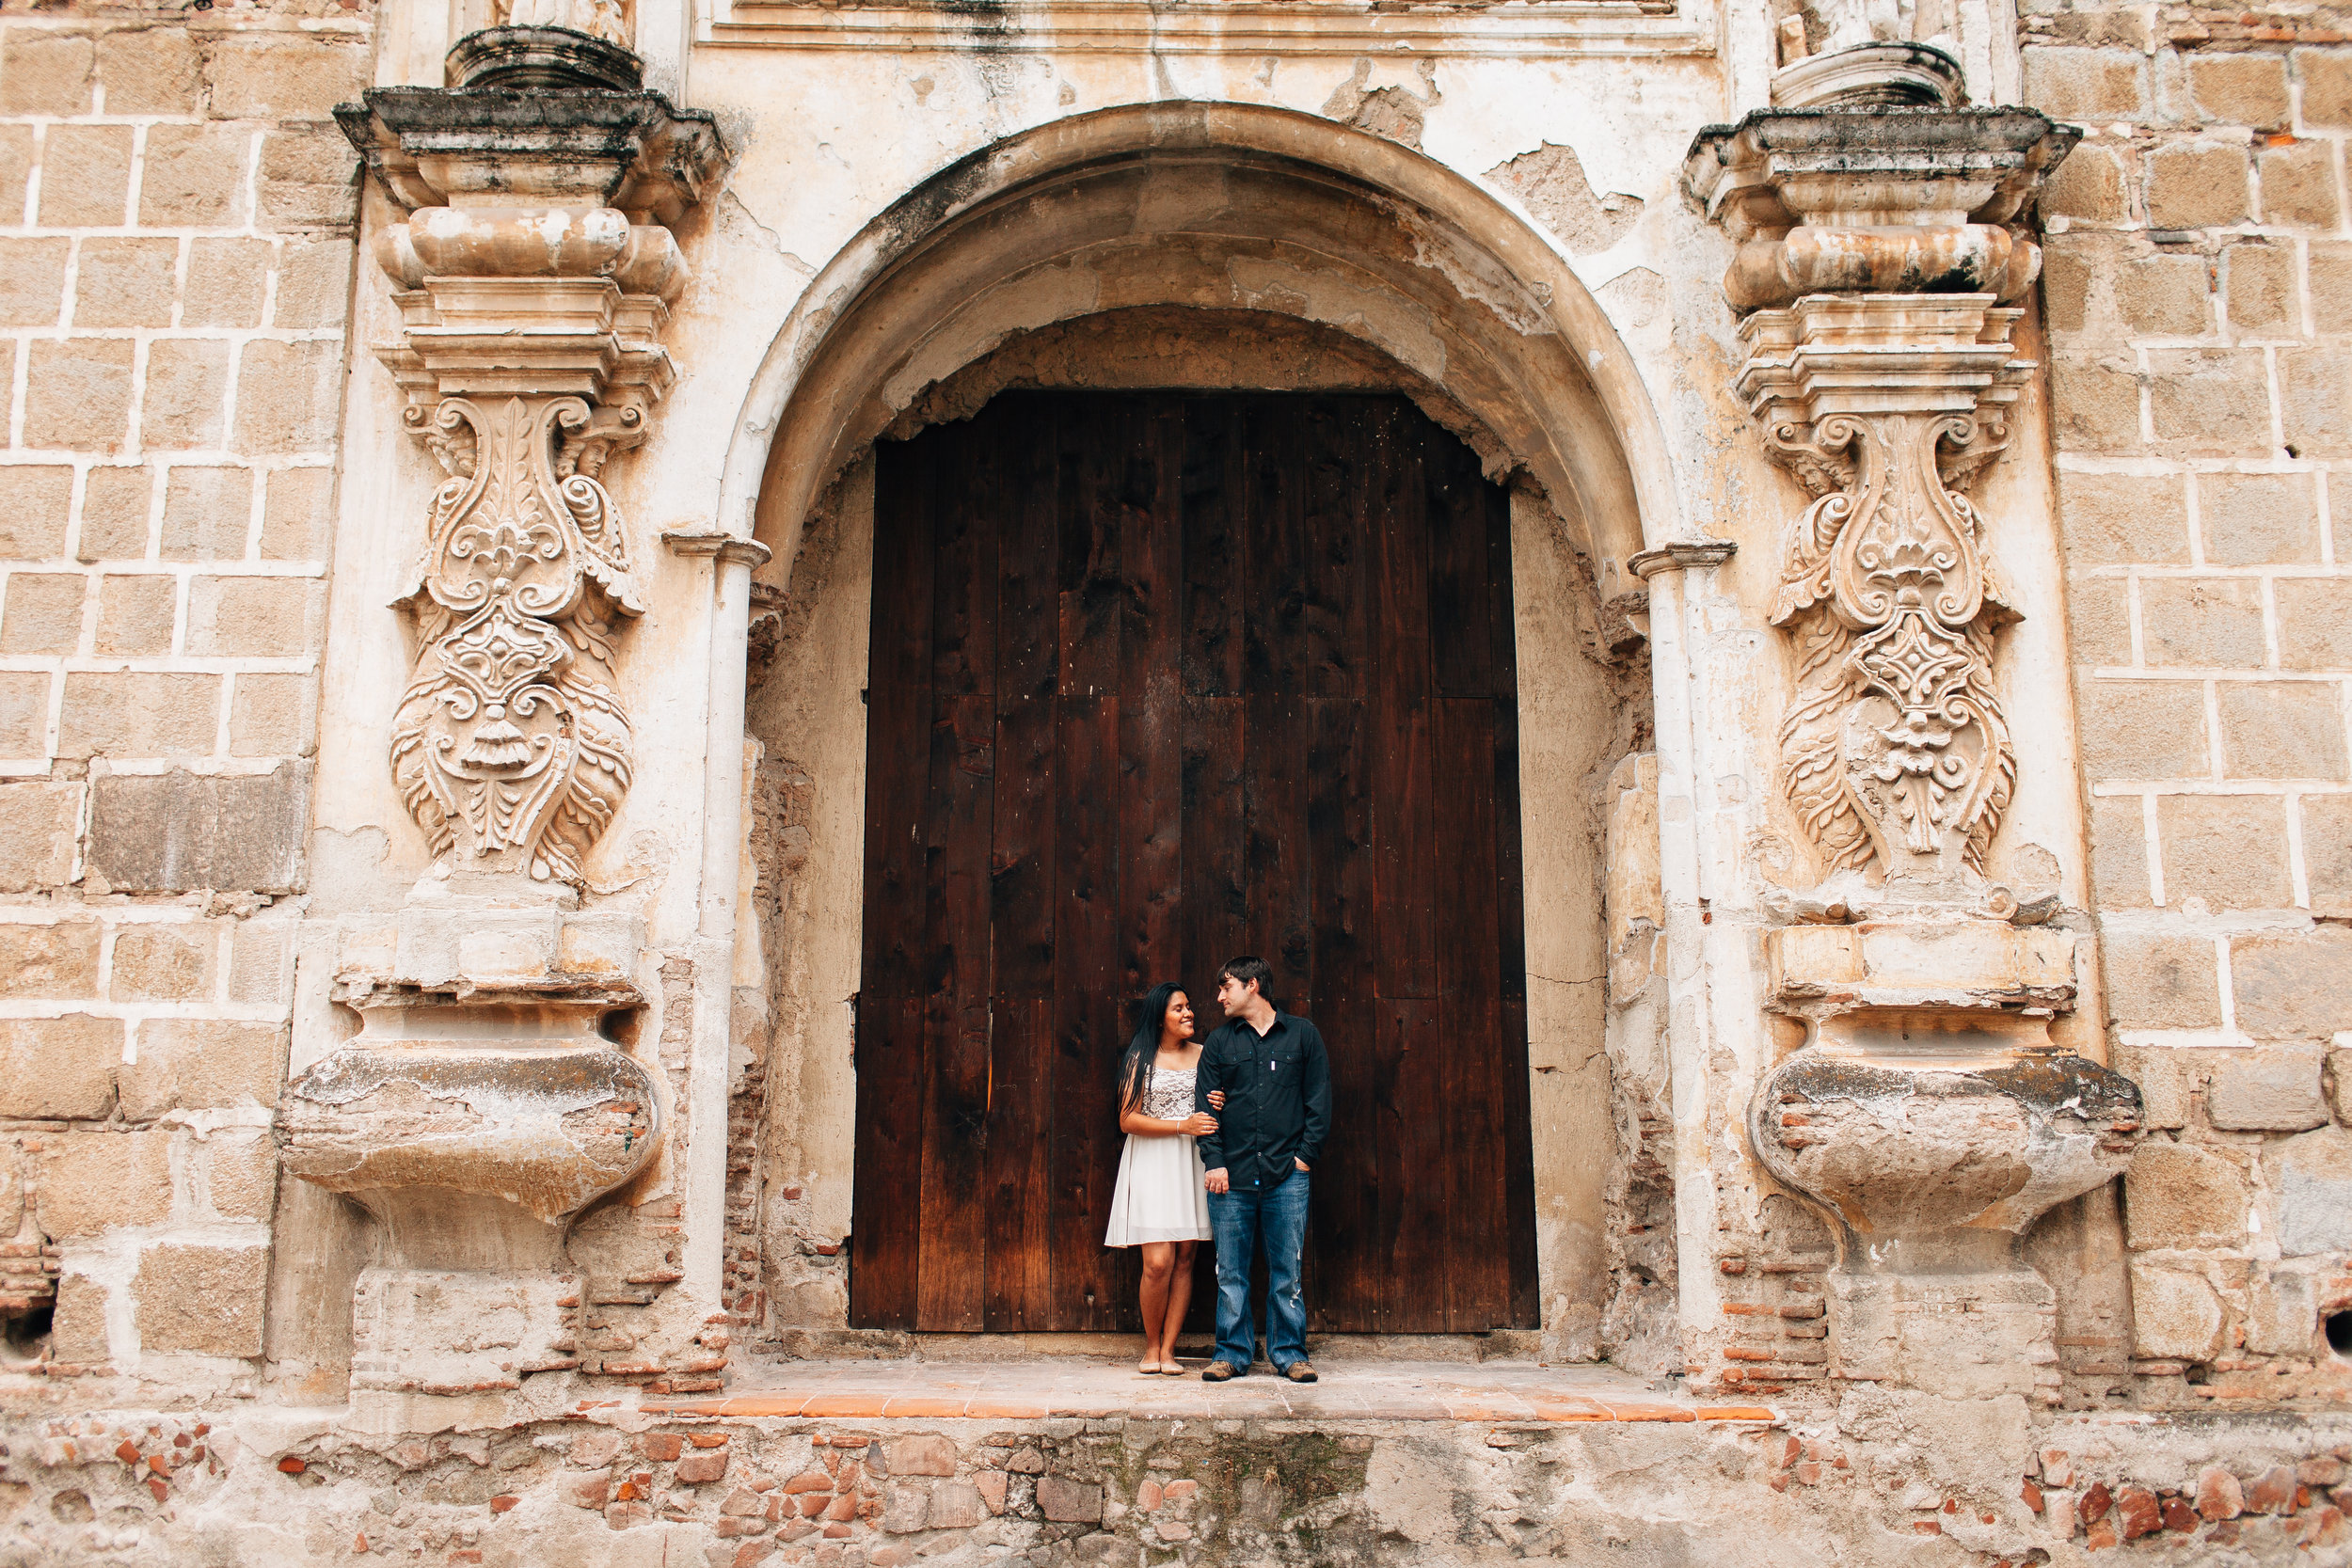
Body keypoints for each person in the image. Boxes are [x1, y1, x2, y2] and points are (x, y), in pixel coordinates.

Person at [1193, 957, 1330, 1384]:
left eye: (1226, 987)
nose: (1220, 997)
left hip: (1286, 1175)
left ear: (1253, 985)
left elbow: (1319, 1102)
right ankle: (1231, 1353)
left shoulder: (1303, 1036)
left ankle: (1289, 1354)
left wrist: (1305, 1157)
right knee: (1230, 1270)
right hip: (1230, 1177)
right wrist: (1213, 1160)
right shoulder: (1219, 1042)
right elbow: (1204, 1107)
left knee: (1286, 1269)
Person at [1103, 982, 1217, 1375]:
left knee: (1186, 1257)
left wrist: (1218, 1103)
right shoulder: (1140, 1058)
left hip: (1193, 1162)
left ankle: (1169, 1351)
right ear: (1160, 1017)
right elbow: (1127, 1119)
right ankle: (1150, 1347)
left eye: (1189, 1007)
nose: (1189, 1014)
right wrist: (1181, 1126)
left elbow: (1219, 1102)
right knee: (1157, 1262)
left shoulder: (1205, 1055)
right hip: (1153, 1160)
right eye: (1178, 1009)